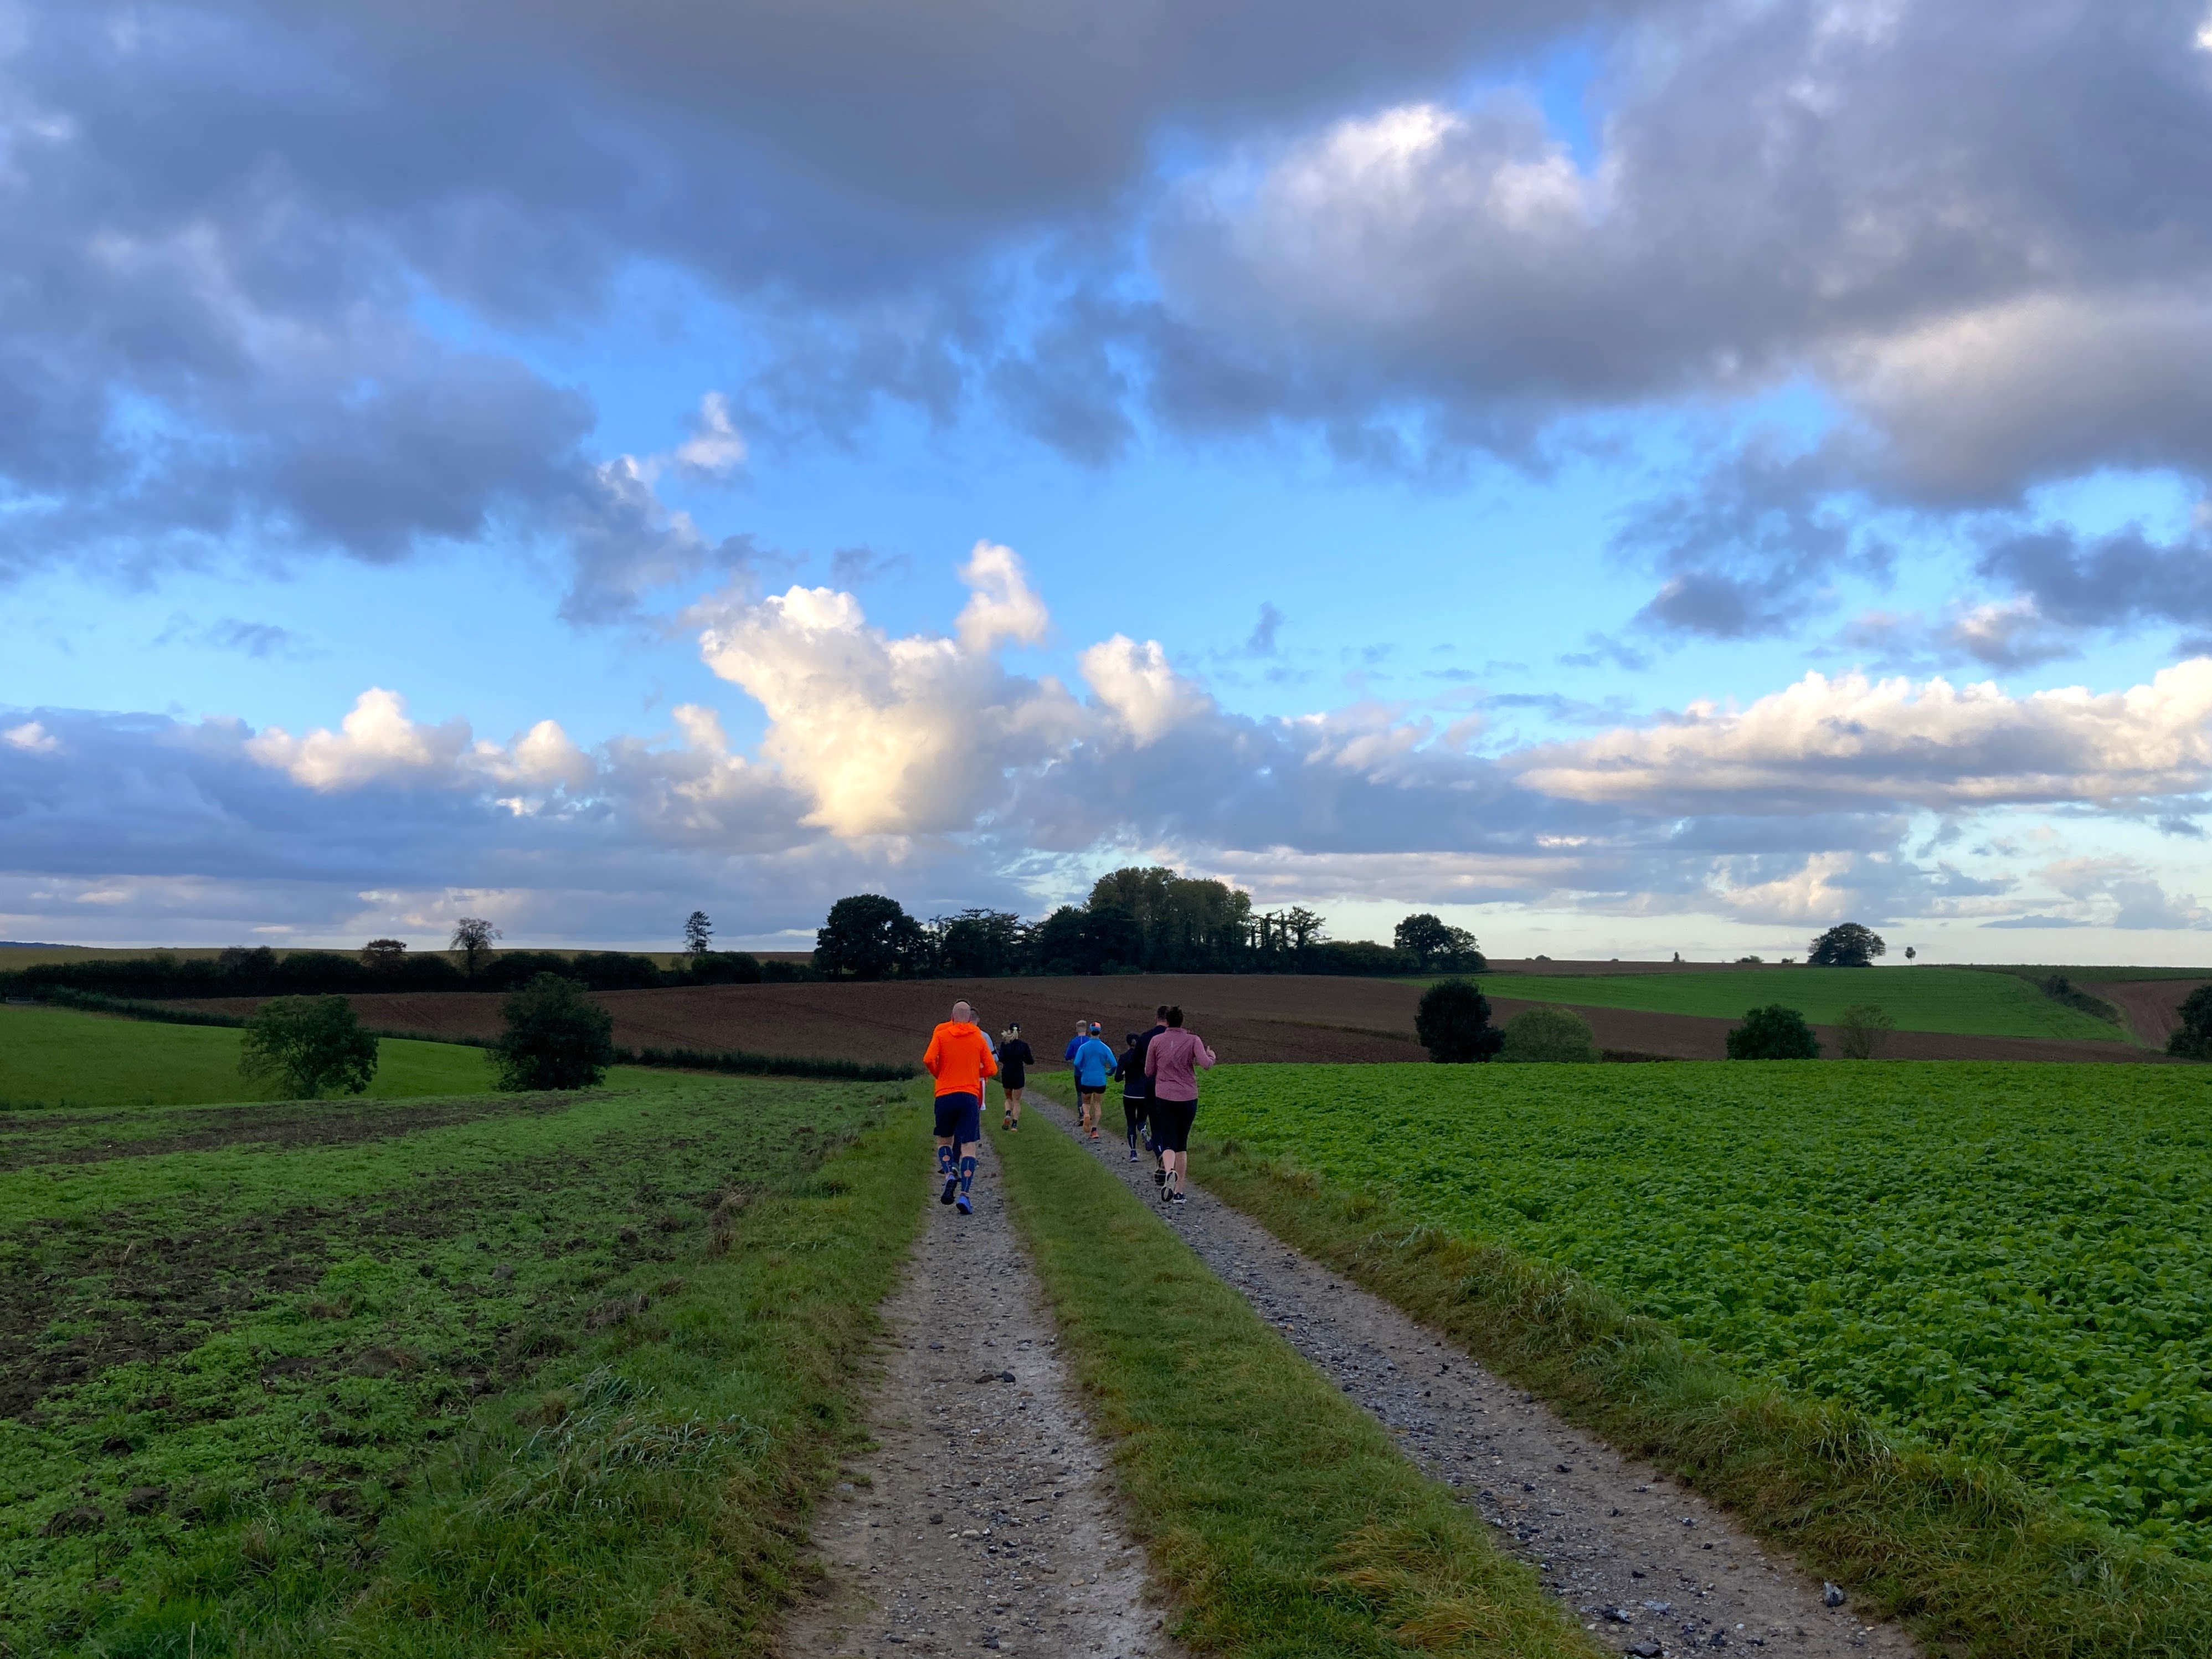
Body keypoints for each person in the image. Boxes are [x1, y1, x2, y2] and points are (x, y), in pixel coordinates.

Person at [922, 1000, 997, 1216]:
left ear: (953, 1016)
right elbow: (991, 1069)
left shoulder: (941, 1034)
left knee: (944, 1140)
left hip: (944, 1095)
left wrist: (939, 1074)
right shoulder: (977, 1036)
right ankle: (964, 1195)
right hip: (968, 1096)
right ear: (970, 1017)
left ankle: (949, 1175)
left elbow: (928, 1059)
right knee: (968, 1147)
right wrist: (974, 1073)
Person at [1142, 1005, 1215, 1206]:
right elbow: (1206, 1065)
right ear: (1182, 1022)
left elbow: (1148, 1071)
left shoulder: (1156, 1041)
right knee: (1182, 1143)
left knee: (1168, 1141)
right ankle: (1180, 1192)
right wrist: (1212, 1056)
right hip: (1188, 1097)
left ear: (1167, 1021)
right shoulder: (1194, 1040)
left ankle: (1169, 1171)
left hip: (1164, 1096)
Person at [1113, 1006, 1170, 1172]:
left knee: (1135, 1123)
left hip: (1135, 1092)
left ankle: (1136, 1152)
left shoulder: (1129, 1054)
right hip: (1155, 1091)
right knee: (1149, 1121)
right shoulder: (1151, 1053)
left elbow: (1119, 1076)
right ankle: (1147, 1133)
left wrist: (1124, 1075)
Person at [1071, 1024, 1118, 1139]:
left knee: (1086, 1102)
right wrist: (1109, 1072)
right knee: (1097, 1104)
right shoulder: (1105, 1047)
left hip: (1086, 1080)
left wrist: (1081, 1071)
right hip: (1100, 1080)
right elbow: (1114, 1064)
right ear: (1100, 1032)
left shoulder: (1084, 1047)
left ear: (1090, 1032)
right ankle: (1094, 1130)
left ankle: (1086, 1115)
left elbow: (1076, 1063)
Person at [997, 1023, 1035, 1131]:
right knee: (1017, 1100)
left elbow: (1001, 1058)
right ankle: (1014, 1124)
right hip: (1018, 1075)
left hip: (1007, 1074)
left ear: (1009, 1031)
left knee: (1008, 1098)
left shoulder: (1005, 1044)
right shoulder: (1023, 1046)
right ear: (1019, 1032)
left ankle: (1008, 1113)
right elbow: (1030, 1061)